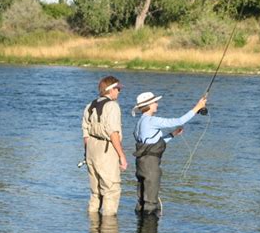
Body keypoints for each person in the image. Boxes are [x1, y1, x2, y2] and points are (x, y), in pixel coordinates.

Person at [132, 92, 207, 215]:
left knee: (141, 201)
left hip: (141, 165)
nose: (157, 104)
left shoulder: (140, 122)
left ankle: (140, 230)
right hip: (151, 166)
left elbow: (152, 144)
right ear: (149, 105)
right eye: (155, 102)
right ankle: (149, 231)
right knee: (150, 204)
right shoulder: (152, 120)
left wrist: (173, 134)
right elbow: (179, 120)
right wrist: (197, 107)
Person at [82, 76, 128, 216]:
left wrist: (87, 154)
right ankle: (109, 232)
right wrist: (122, 156)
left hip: (91, 148)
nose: (119, 92)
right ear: (110, 89)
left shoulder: (90, 106)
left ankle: (93, 229)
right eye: (118, 89)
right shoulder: (112, 106)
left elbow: (85, 134)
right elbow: (113, 133)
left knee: (95, 192)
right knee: (111, 189)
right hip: (106, 149)